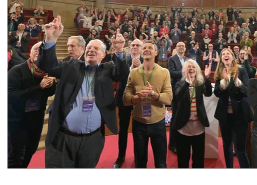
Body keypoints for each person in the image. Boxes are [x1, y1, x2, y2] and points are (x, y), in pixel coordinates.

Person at [37, 16, 127, 168]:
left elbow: (123, 74)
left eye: (96, 48)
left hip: (92, 141)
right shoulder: (71, 66)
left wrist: (119, 51)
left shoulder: (108, 69)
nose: (91, 50)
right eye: (89, 48)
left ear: (103, 55)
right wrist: (50, 39)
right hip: (63, 139)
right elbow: (47, 65)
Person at [123, 41, 173, 168]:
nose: (146, 49)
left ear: (156, 53)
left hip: (158, 124)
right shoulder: (133, 73)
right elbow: (125, 99)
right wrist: (136, 98)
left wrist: (153, 94)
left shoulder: (164, 72)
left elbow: (168, 99)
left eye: (150, 48)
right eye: (144, 48)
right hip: (138, 124)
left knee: (161, 163)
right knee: (140, 162)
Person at [8, 42, 56, 168]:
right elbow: (10, 96)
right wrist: (39, 87)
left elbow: (50, 93)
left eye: (42, 51)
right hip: (17, 120)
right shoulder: (16, 71)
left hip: (35, 120)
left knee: (30, 151)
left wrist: (52, 84)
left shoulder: (47, 72)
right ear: (30, 52)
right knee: (14, 156)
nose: (38, 52)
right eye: (36, 49)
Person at [214, 48, 252, 168]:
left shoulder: (241, 70)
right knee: (227, 145)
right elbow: (217, 93)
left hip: (240, 115)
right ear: (221, 59)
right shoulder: (219, 72)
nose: (226, 55)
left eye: (228, 54)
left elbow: (247, 91)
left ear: (233, 57)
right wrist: (223, 83)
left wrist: (237, 82)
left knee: (240, 150)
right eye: (223, 54)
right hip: (225, 116)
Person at [174, 60, 212, 168]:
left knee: (198, 160)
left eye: (193, 67)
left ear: (197, 70)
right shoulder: (180, 83)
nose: (191, 68)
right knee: (183, 160)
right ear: (184, 70)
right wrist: (187, 82)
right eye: (189, 67)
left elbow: (208, 93)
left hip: (198, 128)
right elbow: (178, 95)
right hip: (183, 128)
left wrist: (207, 78)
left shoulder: (200, 84)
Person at [113, 39, 144, 168]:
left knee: (140, 130)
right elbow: (118, 76)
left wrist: (140, 69)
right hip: (124, 99)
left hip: (141, 100)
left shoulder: (147, 60)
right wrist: (132, 69)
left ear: (142, 48)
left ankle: (139, 157)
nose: (135, 47)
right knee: (123, 129)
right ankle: (121, 156)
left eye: (138, 45)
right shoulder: (122, 60)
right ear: (129, 47)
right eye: (133, 45)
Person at [167, 42, 188, 154]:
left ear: (185, 48)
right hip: (176, 91)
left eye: (183, 46)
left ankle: (181, 141)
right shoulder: (172, 59)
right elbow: (172, 73)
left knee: (184, 116)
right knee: (175, 117)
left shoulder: (188, 60)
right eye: (179, 46)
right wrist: (184, 73)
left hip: (186, 91)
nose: (181, 47)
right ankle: (172, 144)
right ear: (176, 48)